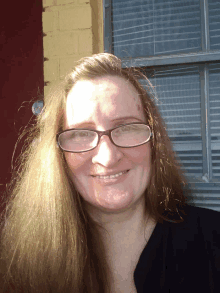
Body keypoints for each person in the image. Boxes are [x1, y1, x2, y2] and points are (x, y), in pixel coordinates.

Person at [0, 53, 219, 293]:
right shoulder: (23, 265)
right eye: (81, 133)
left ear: (153, 142)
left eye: (126, 128)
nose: (108, 157)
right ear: (58, 155)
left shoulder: (212, 241)